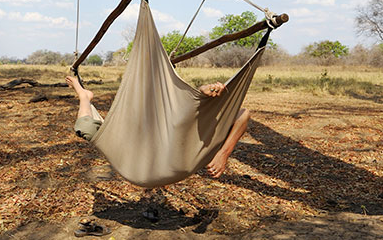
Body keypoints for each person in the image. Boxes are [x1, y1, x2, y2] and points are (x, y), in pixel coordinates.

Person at [65, 76, 250, 178]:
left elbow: (243, 115)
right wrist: (202, 93)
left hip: (163, 158)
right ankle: (84, 97)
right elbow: (187, 106)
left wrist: (223, 154)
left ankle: (84, 97)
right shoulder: (178, 119)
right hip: (135, 155)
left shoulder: (203, 136)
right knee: (86, 129)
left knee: (87, 128)